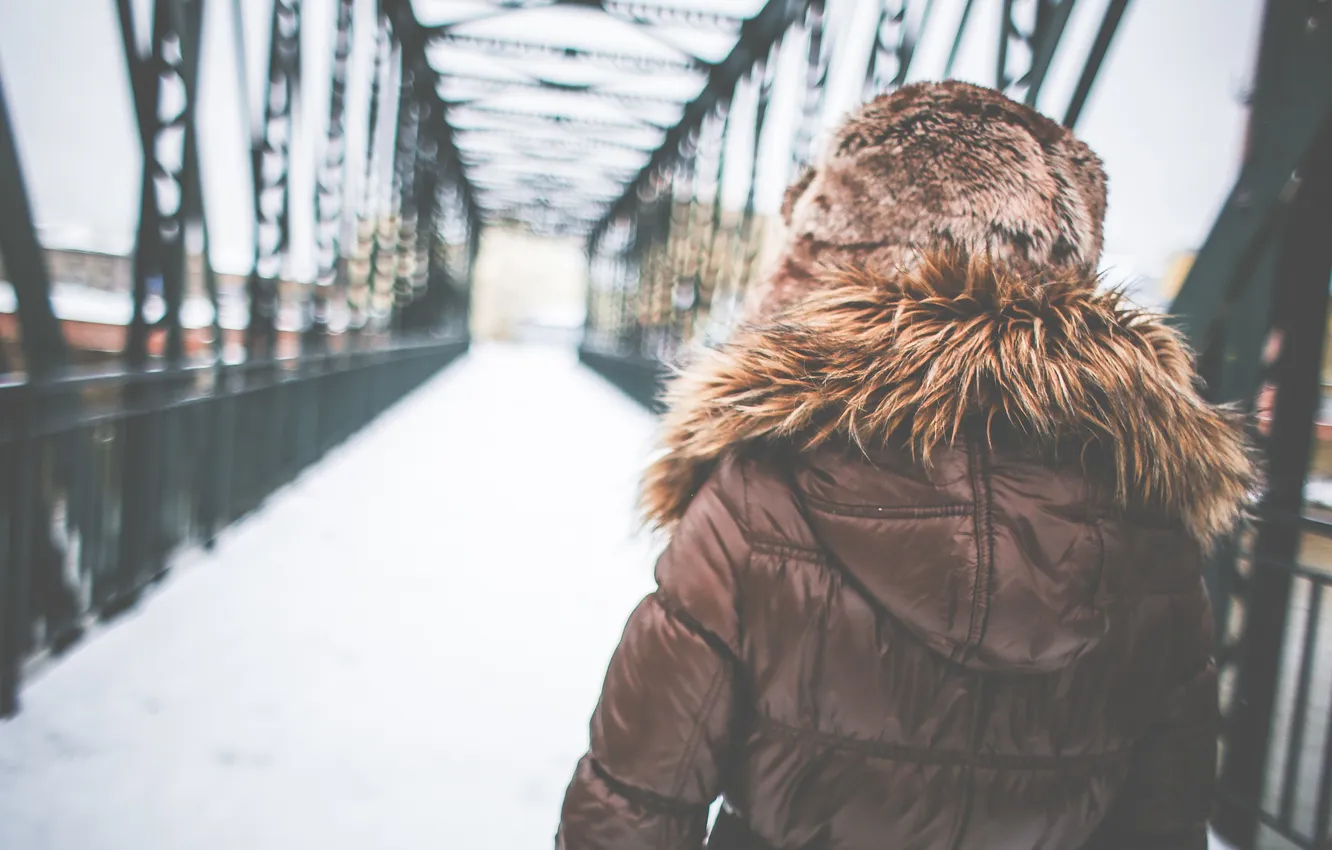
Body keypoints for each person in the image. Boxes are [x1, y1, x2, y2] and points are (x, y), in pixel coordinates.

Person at [557, 81, 1253, 850]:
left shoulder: (761, 491)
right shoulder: (1148, 512)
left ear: (832, 255)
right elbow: (1166, 816)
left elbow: (638, 794)